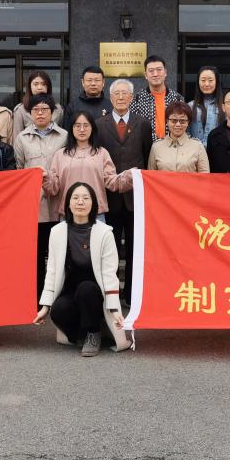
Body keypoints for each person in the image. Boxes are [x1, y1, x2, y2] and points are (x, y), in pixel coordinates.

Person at [33, 183, 130, 357]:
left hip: (95, 292)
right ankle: (82, 334)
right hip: (71, 290)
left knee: (86, 289)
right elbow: (52, 270)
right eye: (75, 198)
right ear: (68, 204)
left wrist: (115, 310)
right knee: (59, 310)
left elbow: (110, 274)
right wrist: (45, 306)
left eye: (86, 198)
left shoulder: (105, 233)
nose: (80, 202)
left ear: (93, 204)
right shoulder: (57, 232)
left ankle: (94, 332)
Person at [95, 78, 153, 307]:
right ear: (110, 97)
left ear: (131, 97)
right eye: (116, 93)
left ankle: (131, 295)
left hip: (134, 198)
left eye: (124, 93)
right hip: (108, 197)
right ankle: (110, 295)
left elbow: (147, 156)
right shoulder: (99, 124)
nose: (120, 97)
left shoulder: (143, 123)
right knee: (108, 250)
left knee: (134, 249)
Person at [13, 94, 68, 298]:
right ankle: (37, 297)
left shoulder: (64, 136)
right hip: (34, 206)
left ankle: (58, 296)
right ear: (30, 113)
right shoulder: (22, 138)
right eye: (36, 110)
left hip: (58, 204)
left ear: (53, 112)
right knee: (36, 254)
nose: (40, 113)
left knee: (58, 254)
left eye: (45, 109)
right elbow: (19, 168)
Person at [45, 110, 126, 221]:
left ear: (92, 128)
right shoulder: (60, 155)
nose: (82, 129)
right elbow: (54, 188)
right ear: (71, 129)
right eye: (77, 126)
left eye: (86, 125)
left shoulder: (101, 153)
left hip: (96, 214)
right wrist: (46, 178)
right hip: (68, 213)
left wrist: (129, 177)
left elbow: (112, 182)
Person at [130, 55, 184, 141]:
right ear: (146, 75)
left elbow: (183, 125)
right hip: (146, 146)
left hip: (171, 145)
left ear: (165, 72)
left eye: (159, 70)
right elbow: (132, 127)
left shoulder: (177, 99)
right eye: (151, 71)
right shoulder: (136, 99)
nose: (155, 74)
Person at [148, 101, 210, 173]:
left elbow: (205, 176)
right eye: (173, 120)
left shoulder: (198, 146)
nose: (178, 124)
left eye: (182, 121)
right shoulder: (156, 147)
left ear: (188, 122)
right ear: (167, 121)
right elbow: (151, 176)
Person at [13, 70, 63, 135]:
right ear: (30, 86)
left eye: (43, 84)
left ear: (48, 86)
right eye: (35, 84)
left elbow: (62, 134)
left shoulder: (58, 109)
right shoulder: (21, 110)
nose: (39, 88)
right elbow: (17, 137)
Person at [188, 66, 222, 142]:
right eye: (203, 80)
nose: (206, 84)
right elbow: (185, 131)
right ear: (198, 82)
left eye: (210, 80)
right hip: (194, 149)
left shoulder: (224, 106)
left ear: (217, 82)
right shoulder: (190, 106)